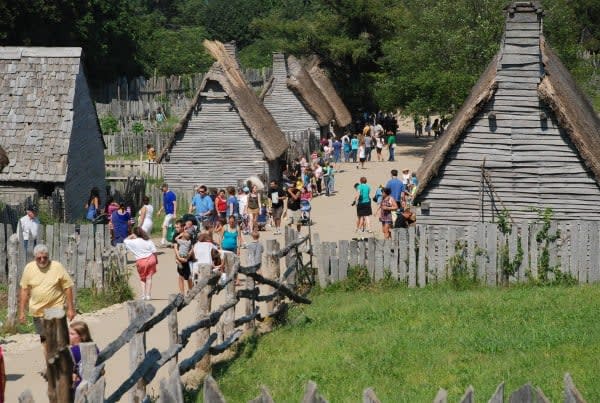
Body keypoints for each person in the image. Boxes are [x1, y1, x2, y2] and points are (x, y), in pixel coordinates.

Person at [19, 244, 76, 358]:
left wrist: (70, 308)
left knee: (59, 338)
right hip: (38, 311)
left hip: (55, 308)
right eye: (39, 258)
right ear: (35, 257)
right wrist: (21, 312)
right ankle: (50, 362)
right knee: (45, 339)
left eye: (45, 257)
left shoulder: (57, 267)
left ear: (48, 256)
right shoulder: (29, 268)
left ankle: (63, 362)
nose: (42, 260)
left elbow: (67, 287)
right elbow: (24, 290)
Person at [124, 227, 158, 300]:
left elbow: (125, 241)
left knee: (143, 278)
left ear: (134, 234)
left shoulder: (133, 242)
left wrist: (131, 236)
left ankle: (143, 295)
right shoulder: (148, 240)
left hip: (141, 261)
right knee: (149, 277)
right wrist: (156, 260)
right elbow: (154, 251)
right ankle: (148, 295)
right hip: (151, 259)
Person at [69, 321, 97, 391]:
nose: (68, 336)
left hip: (79, 386)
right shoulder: (93, 347)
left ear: (81, 336)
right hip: (93, 384)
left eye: (72, 334)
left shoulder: (73, 351)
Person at [173, 220, 193, 293]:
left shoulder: (188, 234)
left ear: (182, 227)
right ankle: (182, 293)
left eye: (177, 227)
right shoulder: (175, 235)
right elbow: (175, 248)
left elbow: (192, 248)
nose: (176, 229)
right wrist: (179, 258)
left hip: (188, 258)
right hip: (180, 258)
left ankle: (191, 291)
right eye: (175, 227)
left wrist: (187, 258)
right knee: (180, 275)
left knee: (189, 276)